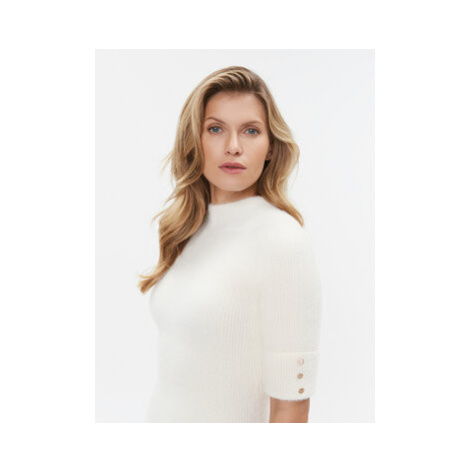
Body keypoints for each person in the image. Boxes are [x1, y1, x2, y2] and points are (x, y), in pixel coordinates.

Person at [138, 65, 322, 423]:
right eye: (216, 129)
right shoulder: (188, 229)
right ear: (195, 140)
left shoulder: (282, 241)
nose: (233, 147)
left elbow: (291, 406)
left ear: (270, 147)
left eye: (251, 131)